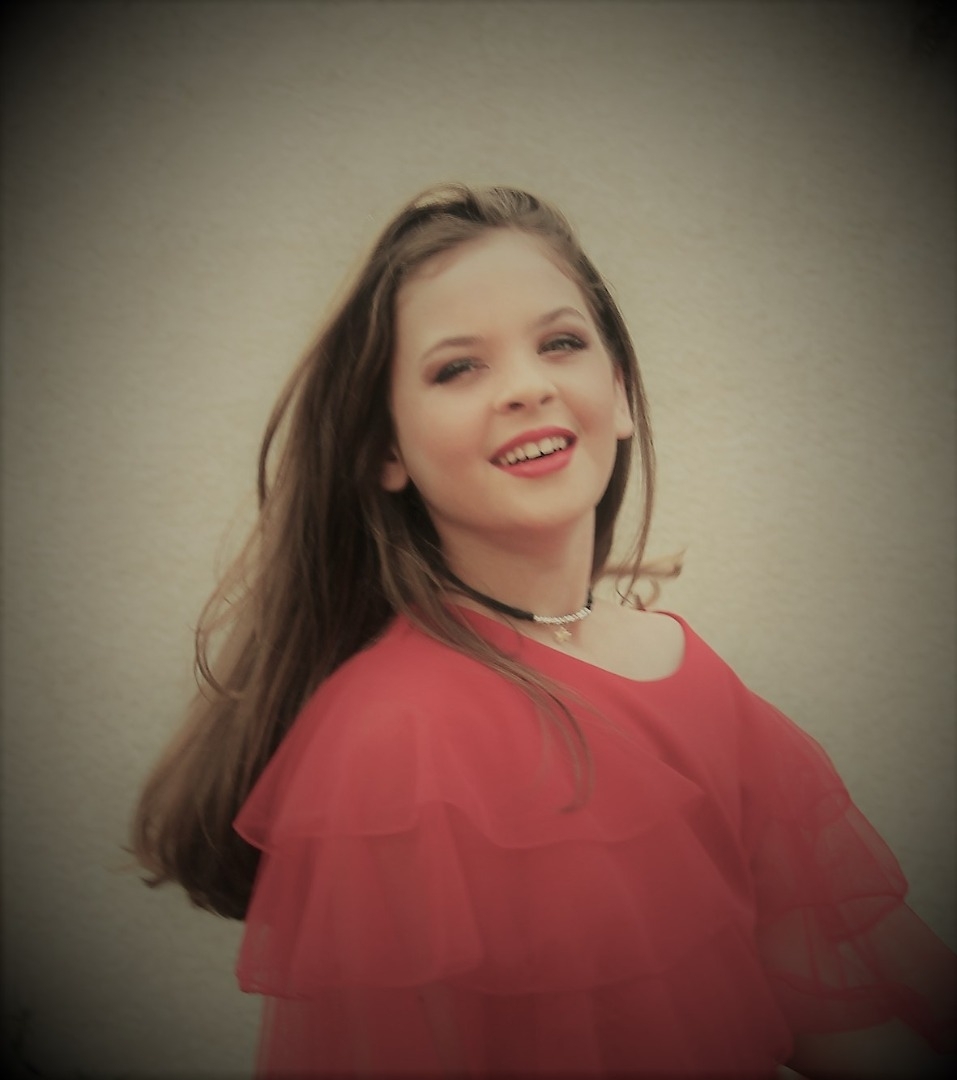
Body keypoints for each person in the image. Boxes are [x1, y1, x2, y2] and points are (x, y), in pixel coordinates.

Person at [132, 183, 955, 1079]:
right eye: (457, 368)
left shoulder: (686, 670)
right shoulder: (394, 739)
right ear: (385, 450)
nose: (527, 387)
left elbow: (820, 1003)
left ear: (621, 392)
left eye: (560, 342)